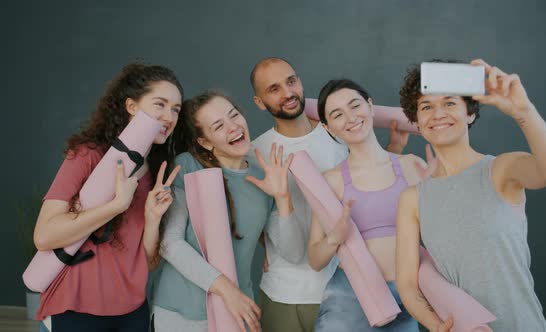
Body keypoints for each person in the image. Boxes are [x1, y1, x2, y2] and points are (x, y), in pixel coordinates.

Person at [395, 59, 546, 332]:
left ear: (470, 113)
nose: (438, 113)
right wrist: (436, 326)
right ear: (416, 121)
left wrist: (523, 111)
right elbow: (406, 284)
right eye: (426, 106)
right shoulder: (412, 199)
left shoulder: (501, 169)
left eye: (450, 103)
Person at [249, 57, 409, 332]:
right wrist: (264, 238)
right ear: (259, 101)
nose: (288, 93)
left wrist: (394, 149)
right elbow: (252, 215)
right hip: (284, 293)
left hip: (350, 288)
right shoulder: (255, 153)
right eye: (274, 89)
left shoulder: (339, 132)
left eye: (291, 81)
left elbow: (373, 186)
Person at [33, 63, 184, 332]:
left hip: (132, 311)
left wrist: (152, 219)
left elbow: (148, 264)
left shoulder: (159, 173)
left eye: (175, 109)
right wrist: (116, 206)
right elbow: (44, 236)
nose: (169, 116)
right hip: (76, 306)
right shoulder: (87, 155)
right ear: (131, 106)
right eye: (160, 104)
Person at [152, 90, 302, 332]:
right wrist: (227, 290)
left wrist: (283, 197)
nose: (234, 127)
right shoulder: (187, 166)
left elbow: (292, 254)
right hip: (180, 315)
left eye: (234, 116)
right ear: (205, 142)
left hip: (238, 313)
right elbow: (169, 243)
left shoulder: (264, 176)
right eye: (219, 126)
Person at [308, 79, 422, 331]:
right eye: (337, 114)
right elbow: (315, 259)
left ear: (370, 106)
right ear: (328, 128)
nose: (350, 118)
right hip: (349, 301)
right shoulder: (330, 180)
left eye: (355, 105)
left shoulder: (411, 166)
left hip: (407, 297)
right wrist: (334, 238)